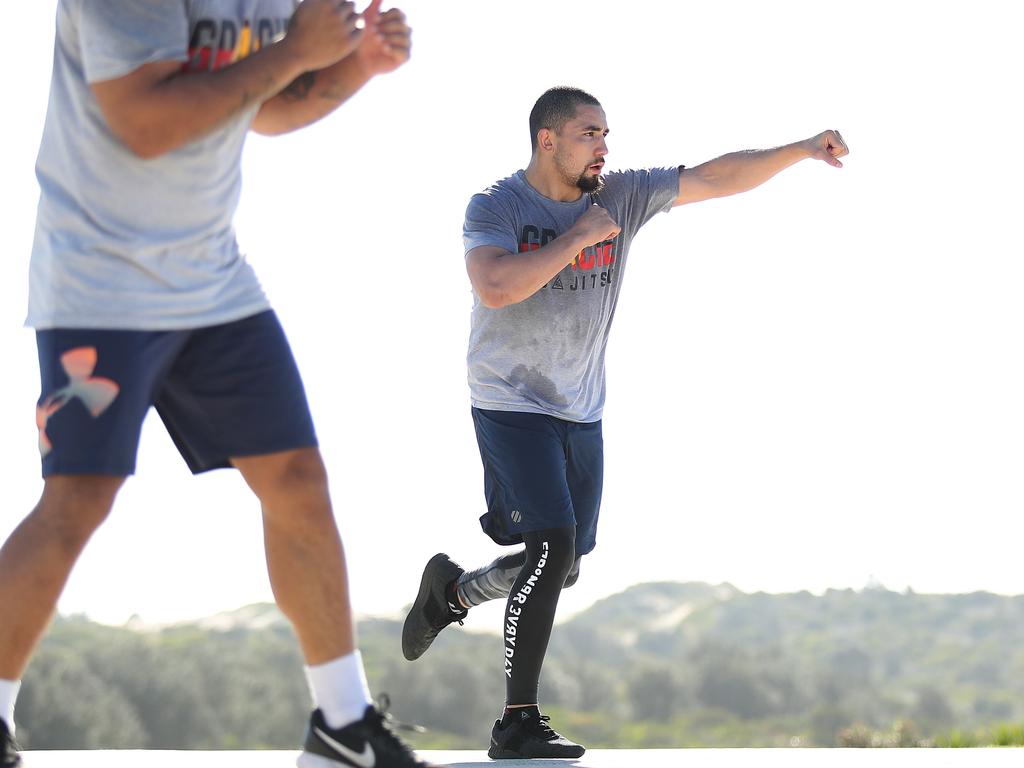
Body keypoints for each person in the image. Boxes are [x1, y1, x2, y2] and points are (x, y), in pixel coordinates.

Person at [0, 2, 437, 767]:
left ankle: (342, 725)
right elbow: (146, 122)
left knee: (297, 478)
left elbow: (256, 108)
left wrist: (353, 68)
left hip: (211, 281)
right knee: (79, 497)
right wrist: (298, 49)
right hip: (100, 280)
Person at [402, 85, 849, 759]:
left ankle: (455, 594)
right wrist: (580, 235)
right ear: (547, 139)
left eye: (606, 134)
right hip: (510, 400)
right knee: (551, 549)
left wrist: (798, 150)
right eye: (590, 134)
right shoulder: (495, 206)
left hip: (582, 407)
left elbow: (712, 177)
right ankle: (516, 724)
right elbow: (495, 285)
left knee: (563, 564)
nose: (604, 147)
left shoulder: (622, 195)